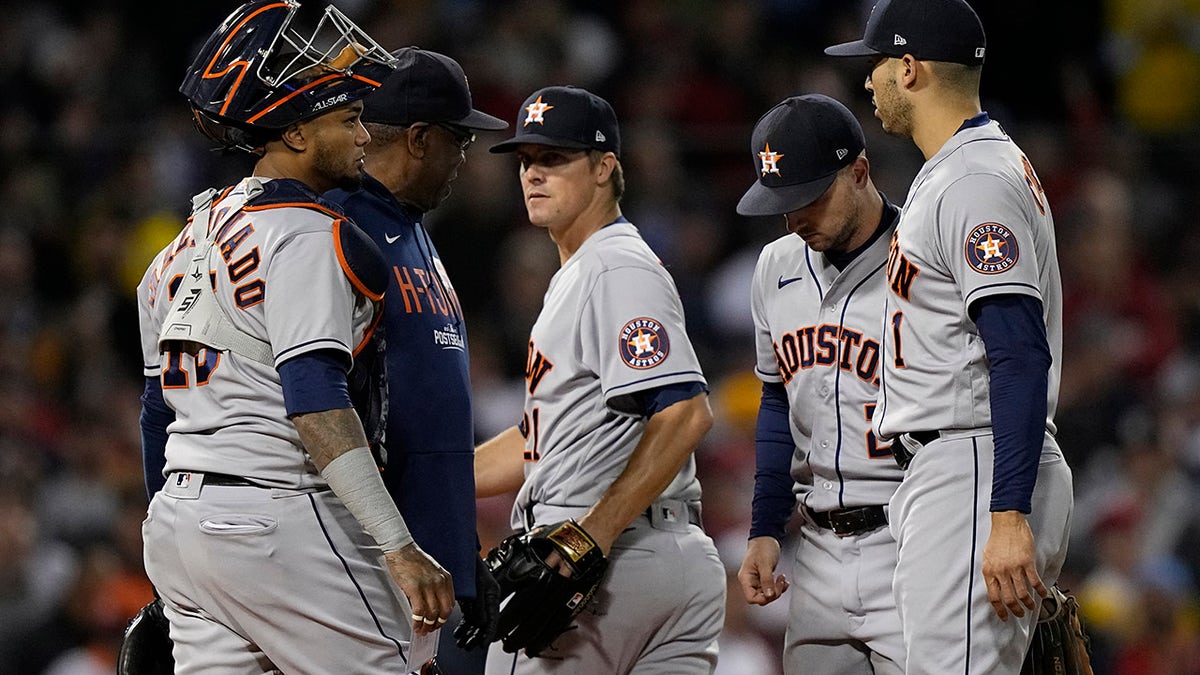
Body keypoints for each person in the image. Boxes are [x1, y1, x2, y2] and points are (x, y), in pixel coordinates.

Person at [134, 1, 454, 671]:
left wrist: (173, 545)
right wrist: (398, 543)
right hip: (276, 514)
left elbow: (156, 413)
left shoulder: (178, 246)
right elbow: (313, 400)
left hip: (179, 526)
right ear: (299, 136)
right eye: (349, 119)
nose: (366, 135)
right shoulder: (310, 234)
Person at [824, 0, 1074, 672]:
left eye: (874, 65)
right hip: (960, 467)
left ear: (909, 68)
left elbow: (1018, 351)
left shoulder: (974, 179)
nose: (867, 82)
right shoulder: (958, 169)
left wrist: (1008, 514)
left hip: (975, 465)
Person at [472, 85, 726, 674]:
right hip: (654, 555)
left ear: (606, 166)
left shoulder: (612, 267)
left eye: (554, 159)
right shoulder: (587, 269)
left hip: (601, 560)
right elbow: (542, 441)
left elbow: (686, 412)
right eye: (527, 160)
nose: (533, 174)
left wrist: (590, 536)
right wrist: (433, 477)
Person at [325, 46, 510, 672]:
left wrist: (462, 552)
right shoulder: (338, 226)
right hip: (368, 565)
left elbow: (430, 415)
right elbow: (323, 402)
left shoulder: (414, 228)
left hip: (429, 567)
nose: (465, 158)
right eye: (459, 140)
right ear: (419, 138)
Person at [734, 94, 905, 674]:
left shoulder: (926, 261)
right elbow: (776, 397)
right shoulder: (776, 265)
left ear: (859, 171)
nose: (794, 218)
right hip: (818, 549)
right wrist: (764, 528)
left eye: (808, 198)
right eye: (780, 203)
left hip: (912, 539)